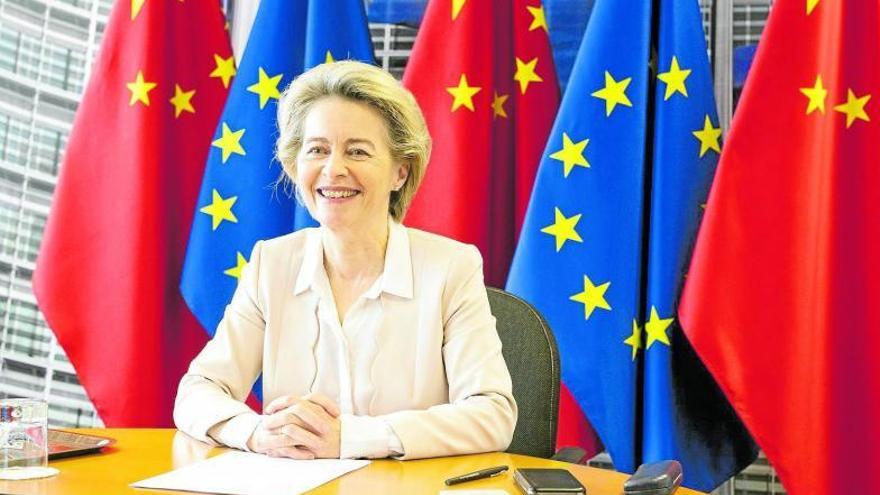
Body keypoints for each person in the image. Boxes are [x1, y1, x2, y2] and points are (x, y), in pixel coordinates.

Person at [173, 60, 517, 460]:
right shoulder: (272, 264)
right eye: (317, 150)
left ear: (400, 173)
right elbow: (197, 391)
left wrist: (352, 438)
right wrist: (257, 432)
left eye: (357, 151)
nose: (334, 169)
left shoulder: (451, 268)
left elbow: (492, 414)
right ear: (295, 165)